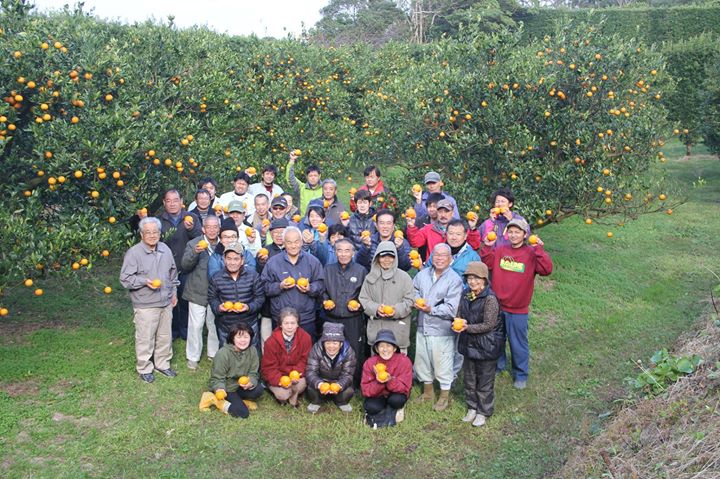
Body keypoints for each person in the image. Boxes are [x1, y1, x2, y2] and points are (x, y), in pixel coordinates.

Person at [480, 218, 553, 389]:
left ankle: (520, 374)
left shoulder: (531, 253)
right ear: (506, 234)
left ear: (525, 234)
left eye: (517, 232)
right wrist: (488, 246)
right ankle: (498, 366)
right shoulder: (500, 250)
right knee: (497, 340)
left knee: (517, 343)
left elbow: (546, 270)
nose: (513, 235)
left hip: (518, 309)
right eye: (511, 231)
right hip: (498, 306)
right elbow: (487, 263)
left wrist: (539, 251)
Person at [119, 217, 179, 383]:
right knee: (145, 337)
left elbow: (173, 274)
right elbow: (125, 279)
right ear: (141, 235)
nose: (152, 235)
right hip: (145, 304)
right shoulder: (134, 253)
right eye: (148, 232)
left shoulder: (165, 249)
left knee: (164, 336)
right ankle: (144, 367)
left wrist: (173, 292)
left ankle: (162, 364)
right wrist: (144, 281)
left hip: (165, 301)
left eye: (155, 232)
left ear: (160, 233)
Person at [412, 243, 463, 411]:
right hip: (422, 325)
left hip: (441, 329)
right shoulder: (423, 275)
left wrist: (431, 309)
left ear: (450, 259)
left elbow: (451, 308)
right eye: (436, 255)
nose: (439, 258)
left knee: (443, 363)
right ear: (431, 257)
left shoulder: (454, 279)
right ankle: (428, 392)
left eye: (443, 255)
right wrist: (417, 300)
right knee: (422, 361)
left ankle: (444, 396)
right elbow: (414, 291)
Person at [453, 262, 504, 427]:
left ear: (484, 280)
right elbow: (460, 312)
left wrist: (468, 327)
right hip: (469, 343)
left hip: (486, 345)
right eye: (469, 278)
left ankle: (483, 411)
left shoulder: (490, 299)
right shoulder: (466, 293)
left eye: (476, 278)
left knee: (485, 381)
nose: (472, 281)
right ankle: (472, 407)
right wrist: (457, 321)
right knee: (469, 378)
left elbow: (488, 324)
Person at [260, 227, 325, 341]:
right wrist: (279, 286)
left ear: (301, 242)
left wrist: (310, 288)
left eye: (296, 242)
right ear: (284, 243)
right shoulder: (273, 262)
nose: (293, 246)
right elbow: (265, 287)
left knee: (306, 353)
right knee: (282, 353)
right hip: (282, 319)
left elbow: (320, 284)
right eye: (289, 242)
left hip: (306, 318)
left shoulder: (312, 261)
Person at [322, 238, 367, 385]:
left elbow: (365, 294)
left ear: (353, 253)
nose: (343, 254)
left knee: (354, 351)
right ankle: (332, 381)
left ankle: (353, 384)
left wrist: (359, 305)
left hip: (353, 318)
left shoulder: (361, 271)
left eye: (347, 250)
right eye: (339, 250)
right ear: (335, 252)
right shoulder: (328, 270)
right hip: (332, 317)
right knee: (331, 350)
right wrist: (324, 301)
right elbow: (322, 291)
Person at [158, 189, 201, 341]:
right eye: (168, 201)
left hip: (186, 267)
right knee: (169, 301)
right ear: (164, 203)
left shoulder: (191, 218)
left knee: (185, 300)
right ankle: (173, 329)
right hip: (166, 269)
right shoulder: (160, 220)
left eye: (175, 200)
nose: (172, 204)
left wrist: (191, 229)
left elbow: (199, 239)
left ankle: (185, 329)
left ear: (181, 202)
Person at [198, 323, 264, 418]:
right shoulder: (223, 354)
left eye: (246, 337)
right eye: (239, 337)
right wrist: (219, 389)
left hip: (240, 386)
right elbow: (217, 378)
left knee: (258, 390)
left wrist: (251, 382)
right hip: (226, 388)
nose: (243, 340)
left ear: (251, 338)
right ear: (233, 338)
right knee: (242, 413)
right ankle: (213, 399)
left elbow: (254, 373)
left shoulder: (253, 351)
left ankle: (239, 401)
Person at [358, 242, 415, 353]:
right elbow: (364, 299)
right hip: (377, 332)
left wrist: (395, 310)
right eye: (383, 256)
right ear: (377, 258)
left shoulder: (404, 277)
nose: (387, 260)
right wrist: (376, 308)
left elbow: (410, 301)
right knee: (377, 367)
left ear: (395, 258)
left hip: (398, 332)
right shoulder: (370, 278)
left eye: (390, 256)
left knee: (399, 367)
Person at [181, 215, 221, 370]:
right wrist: (195, 253)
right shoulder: (194, 243)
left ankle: (213, 353)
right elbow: (185, 265)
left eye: (215, 227)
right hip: (197, 291)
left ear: (219, 228)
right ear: (203, 228)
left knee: (213, 324)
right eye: (208, 227)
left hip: (216, 293)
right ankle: (193, 357)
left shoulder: (222, 245)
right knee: (196, 326)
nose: (212, 230)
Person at [207, 242, 265, 347]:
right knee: (227, 357)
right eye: (229, 259)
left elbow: (260, 297)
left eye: (236, 259)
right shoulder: (216, 278)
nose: (232, 262)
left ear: (242, 261)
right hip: (226, 325)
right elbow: (212, 298)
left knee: (251, 357)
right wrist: (218, 308)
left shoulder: (253, 276)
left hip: (249, 324)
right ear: (224, 260)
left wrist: (249, 307)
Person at [361, 329, 413, 428]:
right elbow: (365, 391)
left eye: (389, 346)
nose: (385, 349)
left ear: (394, 348)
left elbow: (405, 388)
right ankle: (384, 411)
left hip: (396, 394)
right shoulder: (370, 363)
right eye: (381, 346)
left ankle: (394, 409)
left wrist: (390, 380)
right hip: (378, 394)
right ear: (376, 349)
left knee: (396, 400)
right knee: (371, 407)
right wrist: (378, 382)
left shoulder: (404, 361)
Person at [261, 307, 313, 407]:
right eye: (286, 323)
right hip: (279, 375)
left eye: (293, 323)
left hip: (295, 374)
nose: (289, 327)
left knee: (301, 385)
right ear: (280, 325)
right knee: (283, 394)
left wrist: (296, 374)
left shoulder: (305, 337)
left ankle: (293, 397)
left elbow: (305, 360)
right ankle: (278, 392)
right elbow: (268, 367)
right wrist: (279, 380)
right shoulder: (271, 342)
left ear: (297, 324)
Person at [305, 322, 357, 413]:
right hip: (322, 382)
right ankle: (317, 401)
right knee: (311, 389)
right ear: (323, 342)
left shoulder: (349, 352)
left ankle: (341, 402)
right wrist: (319, 384)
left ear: (341, 344)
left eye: (335, 343)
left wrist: (339, 385)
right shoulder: (316, 349)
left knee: (348, 391)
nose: (331, 346)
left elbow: (348, 374)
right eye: (328, 343)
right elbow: (311, 372)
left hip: (338, 383)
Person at [407, 199, 480, 262]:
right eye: (440, 212)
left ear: (452, 213)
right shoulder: (428, 229)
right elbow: (415, 243)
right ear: (437, 213)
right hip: (433, 267)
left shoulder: (460, 228)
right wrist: (411, 226)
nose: (443, 215)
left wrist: (472, 228)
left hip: (455, 268)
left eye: (446, 211)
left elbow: (474, 246)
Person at [256, 218, 290, 348]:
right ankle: (267, 363)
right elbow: (258, 275)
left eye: (282, 232)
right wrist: (260, 263)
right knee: (266, 335)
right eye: (275, 232)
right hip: (268, 302)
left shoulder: (293, 250)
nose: (279, 235)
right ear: (270, 234)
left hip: (287, 301)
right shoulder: (265, 250)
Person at [286, 150, 322, 215]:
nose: (313, 178)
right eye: (310, 176)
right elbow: (290, 179)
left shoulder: (325, 189)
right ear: (307, 177)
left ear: (319, 176)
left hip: (321, 222)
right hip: (304, 222)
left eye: (315, 175)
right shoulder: (301, 187)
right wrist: (292, 160)